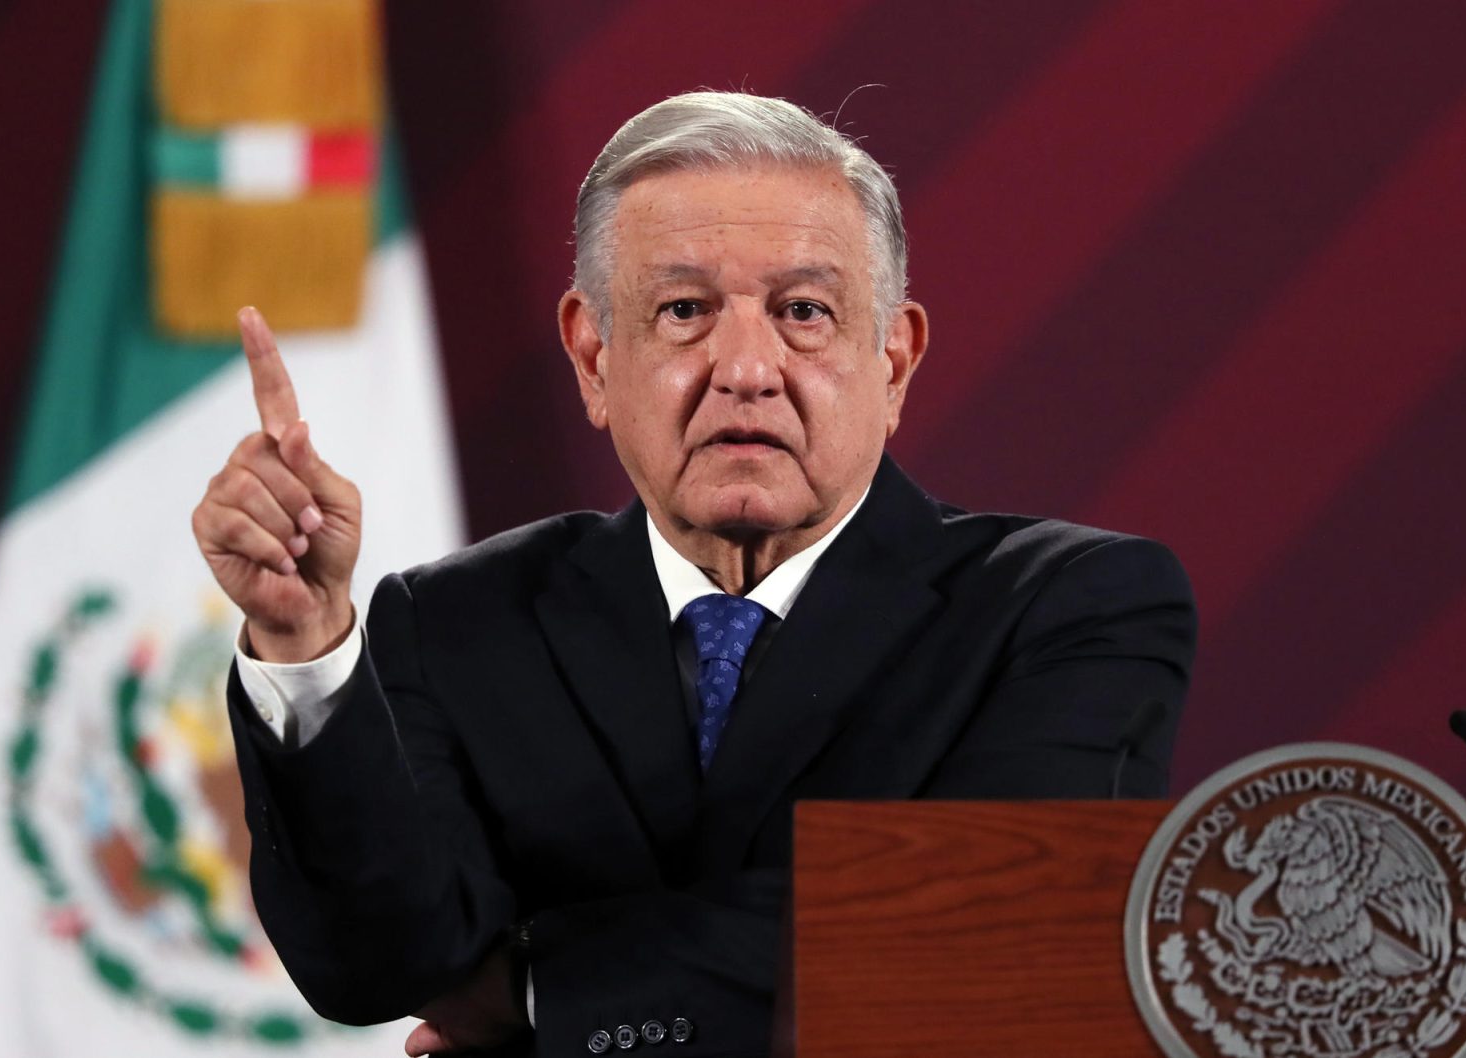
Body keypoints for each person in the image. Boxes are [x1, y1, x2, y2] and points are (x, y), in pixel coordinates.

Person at [192, 91, 1197, 1058]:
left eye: (804, 310)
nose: (747, 367)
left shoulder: (1071, 606)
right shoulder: (456, 617)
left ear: (892, 361)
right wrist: (306, 640)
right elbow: (377, 963)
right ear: (593, 356)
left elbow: (988, 937)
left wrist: (534, 984)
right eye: (683, 309)